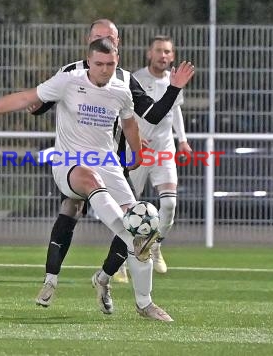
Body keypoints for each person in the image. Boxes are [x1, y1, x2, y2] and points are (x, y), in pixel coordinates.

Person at [0, 38, 189, 321]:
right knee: (95, 186)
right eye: (99, 64)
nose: (105, 70)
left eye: (110, 64)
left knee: (141, 228)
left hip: (107, 164)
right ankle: (119, 243)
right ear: (88, 60)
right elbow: (24, 98)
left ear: (116, 61)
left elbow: (130, 121)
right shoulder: (69, 80)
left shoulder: (121, 88)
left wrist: (138, 154)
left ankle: (145, 304)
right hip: (69, 165)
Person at [28, 19, 195, 310]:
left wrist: (173, 89)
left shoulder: (126, 80)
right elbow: (40, 103)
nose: (106, 40)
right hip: (78, 160)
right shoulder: (70, 72)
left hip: (113, 163)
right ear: (88, 41)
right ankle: (50, 279)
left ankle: (104, 279)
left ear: (118, 44)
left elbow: (152, 115)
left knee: (133, 222)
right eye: (99, 36)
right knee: (71, 208)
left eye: (111, 37)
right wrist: (35, 105)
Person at [129, 35, 192, 274]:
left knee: (169, 203)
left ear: (172, 56)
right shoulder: (135, 79)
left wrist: (183, 140)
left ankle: (155, 246)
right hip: (137, 150)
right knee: (129, 207)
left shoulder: (174, 81)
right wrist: (133, 136)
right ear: (149, 54)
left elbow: (175, 110)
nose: (163, 55)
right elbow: (125, 112)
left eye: (167, 51)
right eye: (158, 51)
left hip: (164, 149)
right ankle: (123, 257)